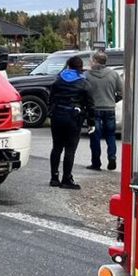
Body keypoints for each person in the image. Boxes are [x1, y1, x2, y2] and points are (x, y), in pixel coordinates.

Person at [48, 55, 93, 190]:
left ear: (68, 66)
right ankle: (66, 179)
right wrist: (91, 122)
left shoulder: (58, 80)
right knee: (70, 149)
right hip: (73, 117)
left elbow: (51, 98)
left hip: (57, 116)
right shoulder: (84, 82)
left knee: (56, 147)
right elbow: (90, 104)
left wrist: (51, 112)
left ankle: (54, 177)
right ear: (81, 67)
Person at [85, 50, 123, 171]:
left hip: (93, 110)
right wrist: (114, 99)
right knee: (110, 135)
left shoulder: (87, 75)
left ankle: (96, 163)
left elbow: (82, 91)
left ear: (95, 61)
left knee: (94, 136)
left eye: (91, 60)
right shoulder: (114, 74)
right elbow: (122, 91)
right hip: (109, 108)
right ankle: (112, 157)